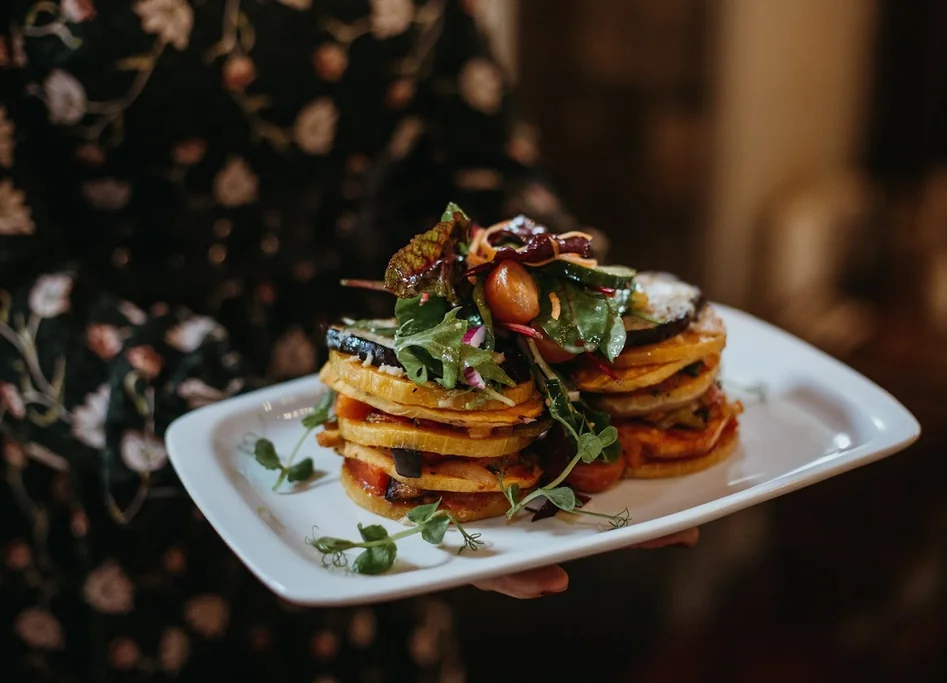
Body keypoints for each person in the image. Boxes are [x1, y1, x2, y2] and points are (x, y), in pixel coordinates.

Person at [0, 1, 698, 681]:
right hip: (105, 506)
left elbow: (480, 167)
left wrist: (575, 335)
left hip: (396, 476)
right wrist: (237, 429)